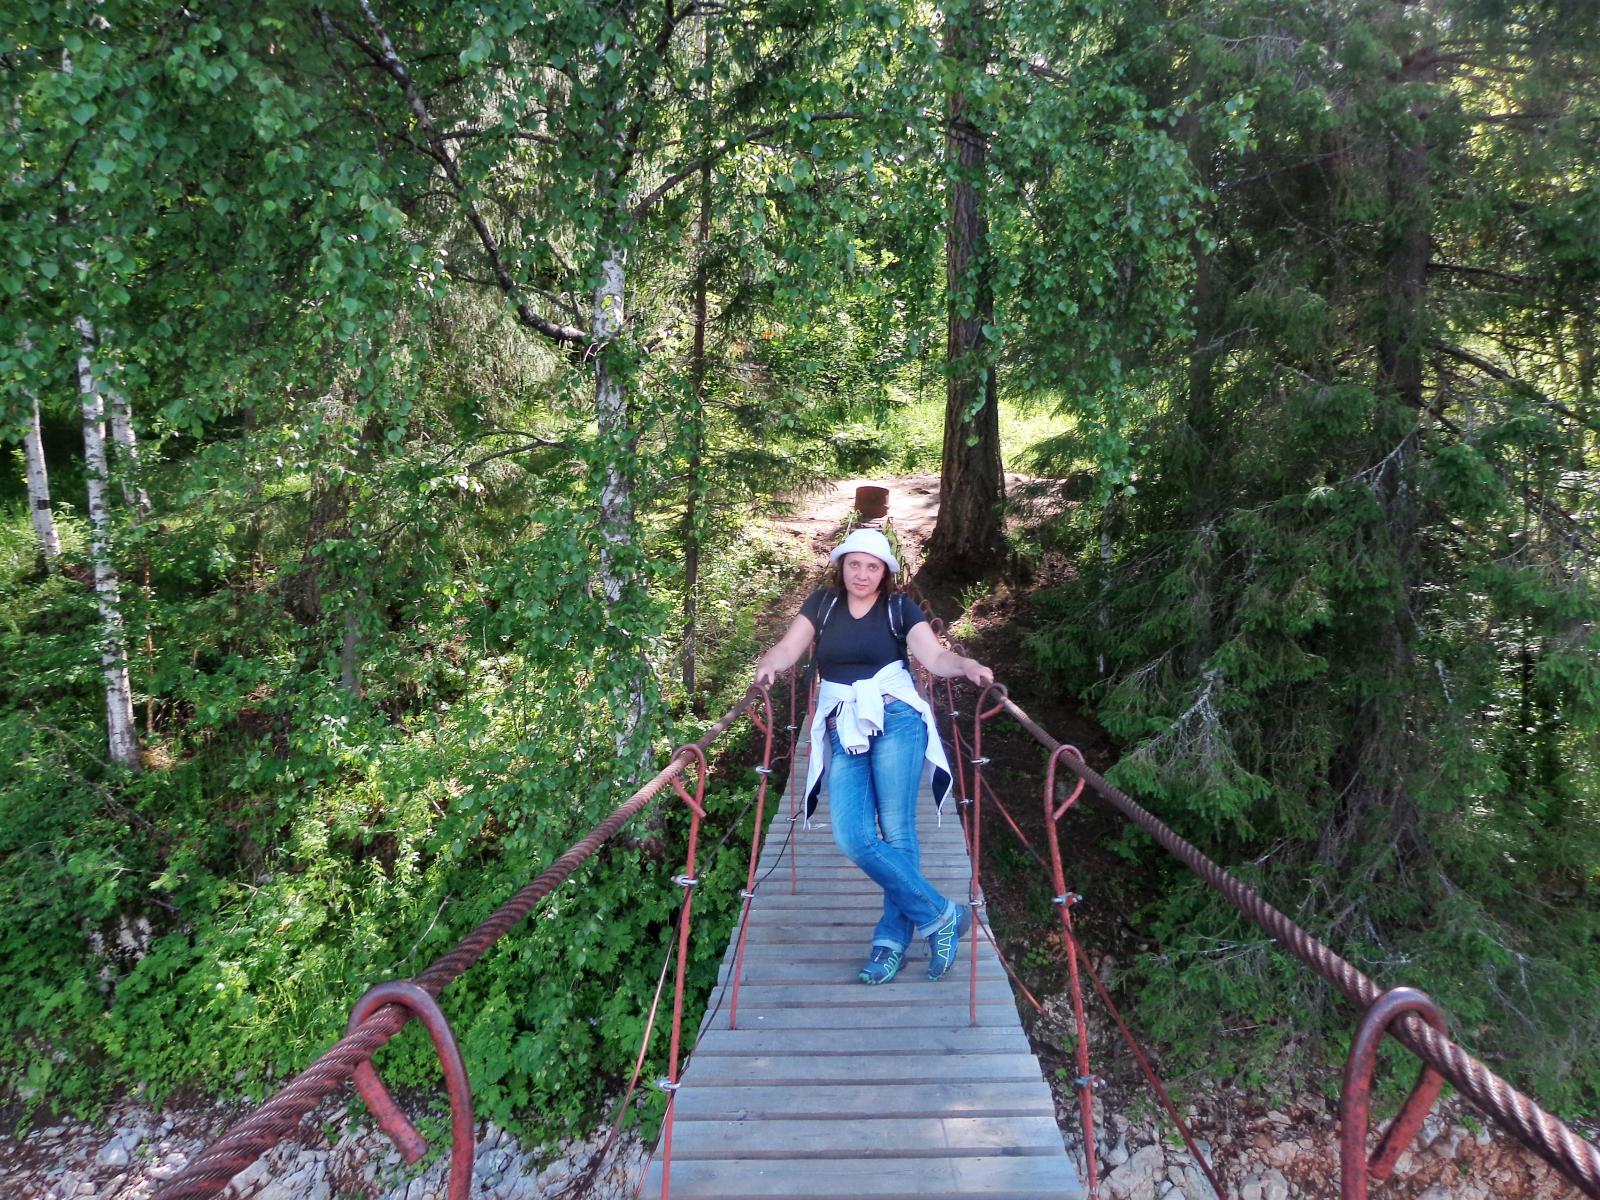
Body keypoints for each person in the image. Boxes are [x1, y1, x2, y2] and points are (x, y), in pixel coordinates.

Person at [754, 528, 995, 985]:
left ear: (885, 572)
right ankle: (941, 915)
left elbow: (934, 657)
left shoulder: (899, 608)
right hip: (843, 720)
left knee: (897, 829)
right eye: (854, 564)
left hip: (897, 715)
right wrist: (770, 663)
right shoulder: (822, 605)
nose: (862, 574)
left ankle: (890, 944)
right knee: (852, 835)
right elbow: (788, 647)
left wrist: (966, 666)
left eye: (872, 566)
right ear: (841, 566)